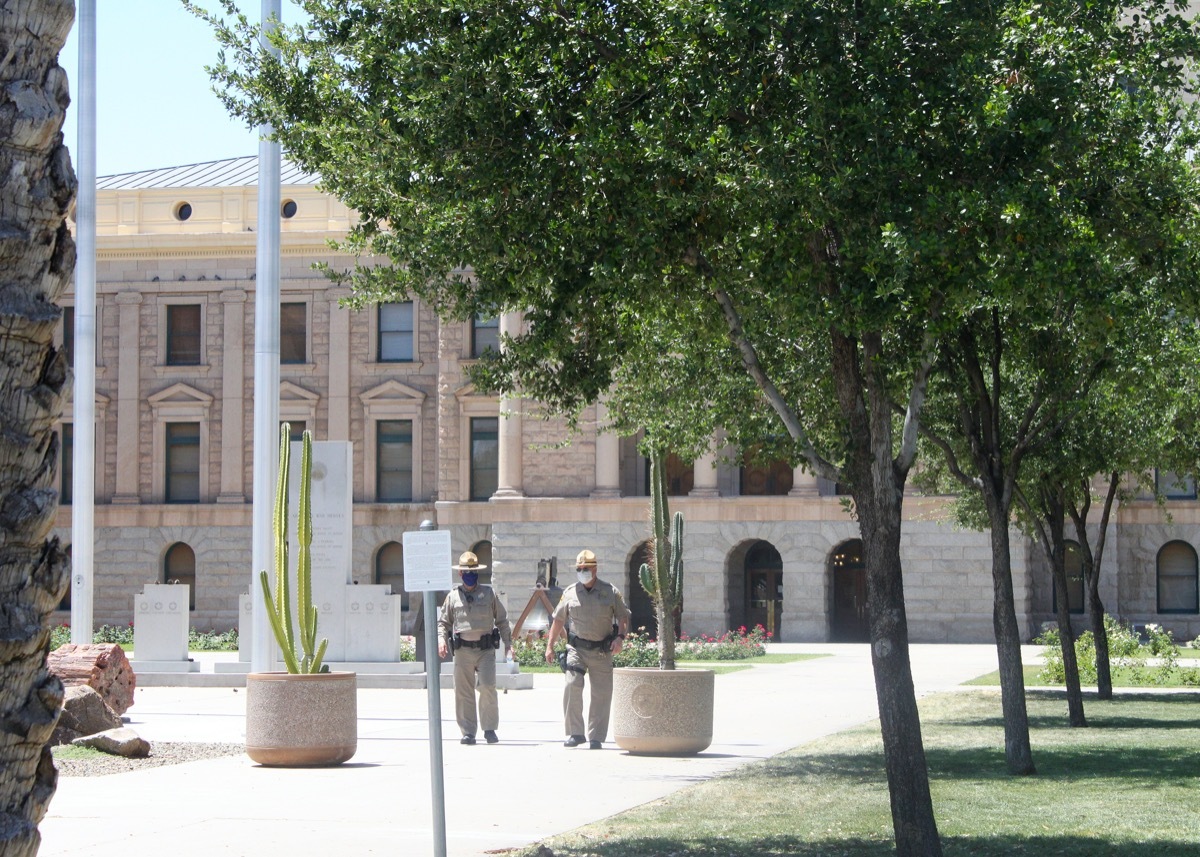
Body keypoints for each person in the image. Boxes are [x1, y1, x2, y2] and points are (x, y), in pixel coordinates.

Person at [543, 549, 631, 749]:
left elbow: (623, 616)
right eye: (579, 568)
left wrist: (620, 638)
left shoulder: (610, 592)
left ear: (595, 569)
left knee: (601, 694)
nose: (582, 571)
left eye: (586, 568)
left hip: (602, 649)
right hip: (577, 649)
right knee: (571, 685)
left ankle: (596, 737)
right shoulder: (570, 592)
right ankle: (575, 733)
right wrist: (550, 646)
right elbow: (558, 620)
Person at [438, 551, 513, 744]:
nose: (470, 574)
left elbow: (502, 620)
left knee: (487, 686)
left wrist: (508, 645)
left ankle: (489, 729)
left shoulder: (489, 594)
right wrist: (440, 640)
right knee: (463, 691)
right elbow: (443, 623)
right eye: (466, 571)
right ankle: (468, 731)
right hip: (462, 650)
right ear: (460, 574)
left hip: (485, 650)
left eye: (473, 571)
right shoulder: (453, 596)